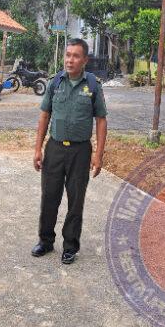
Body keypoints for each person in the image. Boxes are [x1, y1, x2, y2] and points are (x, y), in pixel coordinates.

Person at [31, 38, 108, 265]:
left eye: (75, 56)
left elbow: (101, 120)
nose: (70, 60)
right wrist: (38, 149)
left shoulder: (93, 85)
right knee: (49, 197)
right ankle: (45, 241)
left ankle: (70, 246)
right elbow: (44, 116)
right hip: (54, 148)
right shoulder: (55, 82)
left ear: (84, 60)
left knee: (76, 201)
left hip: (80, 151)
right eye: (67, 55)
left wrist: (98, 154)